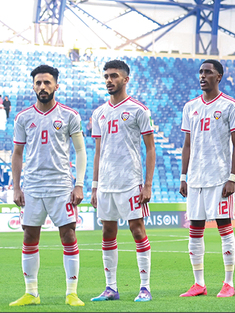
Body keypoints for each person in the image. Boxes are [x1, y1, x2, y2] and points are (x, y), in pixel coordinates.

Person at [10, 65, 87, 307]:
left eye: (47, 82)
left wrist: (79, 185)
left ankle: (71, 293)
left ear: (56, 85)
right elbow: (17, 153)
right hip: (32, 187)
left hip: (61, 186)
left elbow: (81, 151)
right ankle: (31, 293)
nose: (42, 87)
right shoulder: (23, 117)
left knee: (69, 234)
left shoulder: (69, 115)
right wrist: (16, 187)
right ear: (33, 86)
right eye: (38, 83)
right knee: (29, 236)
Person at [89, 60, 156, 302]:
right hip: (106, 184)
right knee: (107, 232)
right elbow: (98, 151)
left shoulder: (139, 110)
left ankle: (145, 287)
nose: (109, 80)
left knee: (137, 230)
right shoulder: (99, 113)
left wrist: (147, 185)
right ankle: (111, 288)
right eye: (106, 76)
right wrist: (94, 186)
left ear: (125, 79)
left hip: (130, 181)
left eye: (114, 76)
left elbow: (150, 148)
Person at [179, 59, 235, 298]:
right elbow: (187, 144)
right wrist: (183, 176)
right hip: (195, 178)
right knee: (195, 229)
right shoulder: (190, 107)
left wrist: (232, 178)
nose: (202, 76)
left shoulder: (230, 106)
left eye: (208, 72)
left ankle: (228, 283)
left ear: (219, 77)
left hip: (219, 178)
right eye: (200, 72)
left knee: (224, 227)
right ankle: (199, 284)